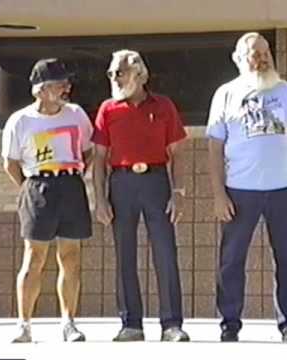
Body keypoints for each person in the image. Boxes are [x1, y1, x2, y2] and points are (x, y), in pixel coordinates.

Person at [207, 32, 287, 342]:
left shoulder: (284, 90)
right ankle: (230, 322)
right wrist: (218, 193)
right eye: (255, 53)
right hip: (240, 190)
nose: (263, 58)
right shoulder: (226, 93)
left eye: (266, 52)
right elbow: (214, 146)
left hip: (283, 189)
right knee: (232, 260)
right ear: (239, 59)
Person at [92, 49, 190, 342]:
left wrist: (179, 192)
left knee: (165, 253)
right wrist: (99, 198)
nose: (114, 78)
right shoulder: (108, 109)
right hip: (121, 184)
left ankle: (171, 324)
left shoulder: (163, 105)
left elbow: (178, 153)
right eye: (110, 73)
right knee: (125, 255)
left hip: (157, 181)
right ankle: (130, 323)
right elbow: (98, 158)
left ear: (139, 74)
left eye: (119, 72)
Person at [1, 58, 93, 343]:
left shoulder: (77, 114)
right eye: (58, 83)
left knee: (71, 257)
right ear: (40, 90)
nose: (66, 88)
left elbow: (89, 151)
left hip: (71, 184)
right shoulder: (21, 120)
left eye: (66, 82)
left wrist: (75, 176)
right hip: (38, 184)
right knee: (34, 257)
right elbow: (10, 162)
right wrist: (29, 188)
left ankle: (69, 322)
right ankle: (24, 324)